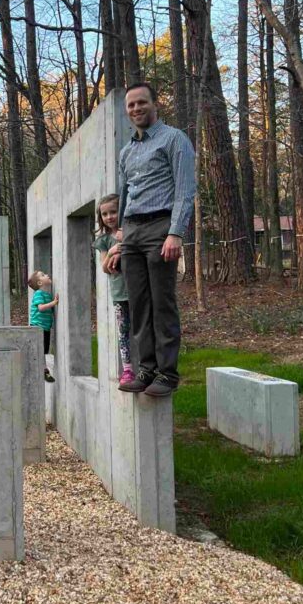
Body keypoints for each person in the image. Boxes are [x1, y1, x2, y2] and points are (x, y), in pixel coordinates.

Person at [108, 81, 195, 397]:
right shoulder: (127, 151)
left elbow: (185, 190)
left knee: (162, 303)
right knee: (138, 304)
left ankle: (167, 374)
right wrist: (120, 239)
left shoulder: (174, 140)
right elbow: (126, 194)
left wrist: (175, 232)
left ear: (155, 104)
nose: (135, 109)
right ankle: (145, 369)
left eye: (141, 103)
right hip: (131, 232)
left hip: (161, 227)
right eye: (130, 105)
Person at [94, 194, 134, 387]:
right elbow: (104, 267)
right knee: (123, 331)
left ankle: (146, 366)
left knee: (141, 329)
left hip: (137, 289)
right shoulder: (103, 240)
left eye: (113, 212)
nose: (109, 217)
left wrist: (125, 240)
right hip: (119, 294)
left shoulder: (131, 231)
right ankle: (127, 369)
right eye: (104, 214)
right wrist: (111, 251)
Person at [28, 270, 58, 382]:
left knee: (44, 351)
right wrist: (54, 303)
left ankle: (43, 370)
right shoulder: (39, 294)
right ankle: (44, 370)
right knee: (41, 350)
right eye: (43, 275)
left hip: (45, 327)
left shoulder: (47, 294)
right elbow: (40, 308)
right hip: (38, 327)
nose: (47, 275)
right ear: (40, 283)